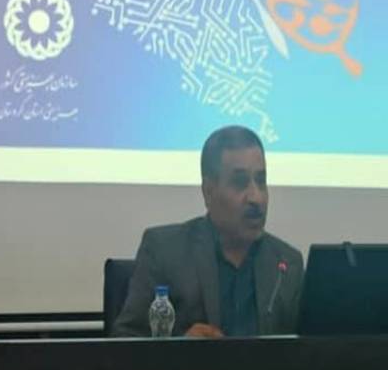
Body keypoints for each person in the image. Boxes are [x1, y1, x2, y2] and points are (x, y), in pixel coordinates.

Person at [112, 125, 303, 337]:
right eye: (240, 183)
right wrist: (180, 347)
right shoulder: (165, 252)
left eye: (261, 181)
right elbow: (124, 341)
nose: (256, 197)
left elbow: (308, 348)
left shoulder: (286, 264)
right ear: (208, 191)